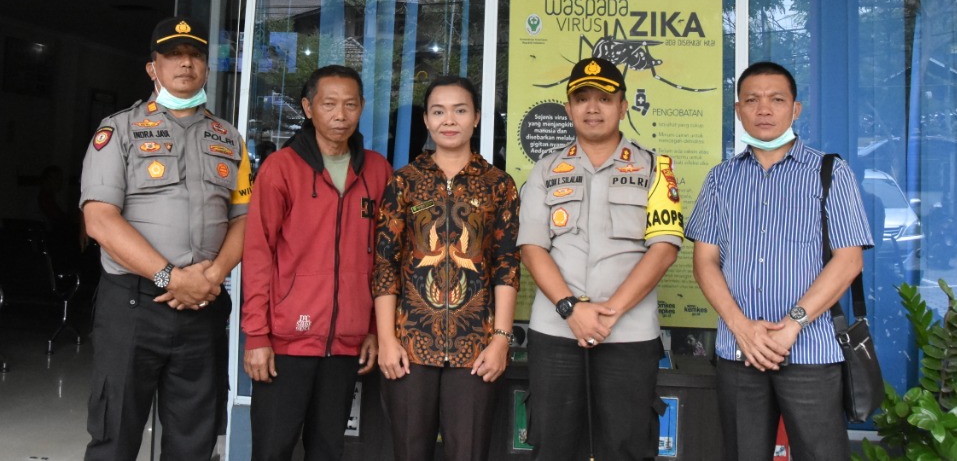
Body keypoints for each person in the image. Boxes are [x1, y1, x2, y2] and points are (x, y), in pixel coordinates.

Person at [79, 16, 251, 460]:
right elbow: (99, 220)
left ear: (206, 68)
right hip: (133, 305)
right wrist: (171, 278)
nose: (185, 63)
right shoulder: (118, 130)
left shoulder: (230, 139)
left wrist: (210, 277)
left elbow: (245, 220)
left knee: (195, 438)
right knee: (115, 434)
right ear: (152, 68)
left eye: (195, 55)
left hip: (203, 308)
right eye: (173, 55)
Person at [685, 61, 874, 461]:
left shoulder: (830, 173)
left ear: (795, 108)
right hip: (739, 351)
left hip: (810, 350)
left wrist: (791, 326)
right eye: (752, 100)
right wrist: (741, 328)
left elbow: (848, 261)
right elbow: (704, 261)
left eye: (776, 99)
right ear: (738, 110)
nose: (764, 109)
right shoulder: (720, 179)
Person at [517, 57, 685, 461]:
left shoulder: (655, 168)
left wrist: (610, 313)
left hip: (629, 334)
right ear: (569, 108)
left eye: (605, 99)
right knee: (553, 446)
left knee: (625, 446)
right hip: (556, 331)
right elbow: (532, 247)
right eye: (582, 99)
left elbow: (664, 249)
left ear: (623, 106)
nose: (593, 108)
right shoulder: (545, 169)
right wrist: (570, 308)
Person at [242, 65, 394, 461]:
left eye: (350, 105)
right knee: (272, 449)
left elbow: (385, 258)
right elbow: (258, 254)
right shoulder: (281, 168)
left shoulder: (377, 171)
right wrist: (256, 336)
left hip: (346, 342)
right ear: (308, 108)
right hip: (286, 340)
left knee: (328, 449)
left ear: (362, 107)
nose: (340, 115)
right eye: (329, 104)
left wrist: (374, 327)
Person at [371, 76, 521, 461]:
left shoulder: (499, 185)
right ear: (426, 120)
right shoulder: (404, 182)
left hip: (476, 346)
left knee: (468, 452)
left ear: (476, 117)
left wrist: (501, 340)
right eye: (438, 112)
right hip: (410, 343)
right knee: (409, 452)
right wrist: (387, 339)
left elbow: (507, 265)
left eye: (460, 110)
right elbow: (385, 263)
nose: (449, 120)